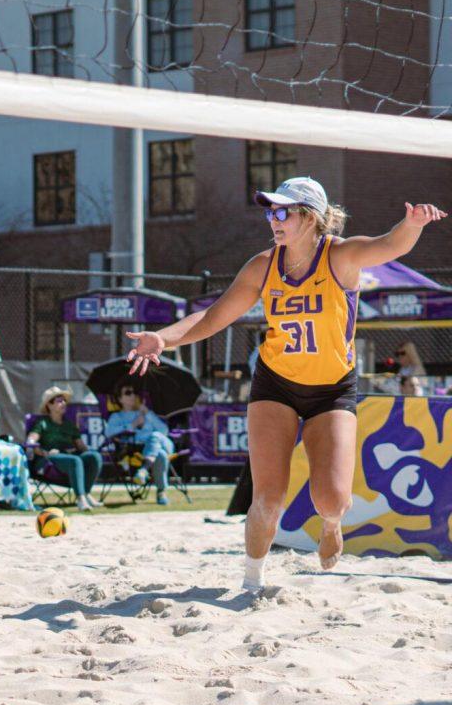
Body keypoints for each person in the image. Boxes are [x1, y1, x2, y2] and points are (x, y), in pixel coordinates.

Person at [124, 177, 445, 590]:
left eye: (282, 212)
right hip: (275, 385)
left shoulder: (340, 256)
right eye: (269, 211)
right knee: (268, 498)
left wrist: (413, 224)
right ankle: (252, 579)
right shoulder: (263, 265)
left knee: (332, 500)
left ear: (309, 217)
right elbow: (212, 318)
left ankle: (331, 526)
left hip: (332, 391)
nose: (272, 219)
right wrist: (163, 338)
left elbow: (389, 245)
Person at [26, 385, 103, 512]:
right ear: (49, 406)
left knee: (94, 457)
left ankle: (86, 493)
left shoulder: (69, 424)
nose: (64, 403)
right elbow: (31, 441)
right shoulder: (42, 423)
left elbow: (81, 447)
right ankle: (81, 499)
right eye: (59, 401)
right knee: (75, 461)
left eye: (64, 400)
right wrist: (44, 452)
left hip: (68, 457)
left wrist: (89, 450)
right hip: (48, 460)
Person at [103, 385, 174, 506]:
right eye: (128, 393)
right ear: (120, 399)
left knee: (156, 436)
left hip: (163, 444)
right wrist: (133, 424)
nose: (132, 395)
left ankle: (143, 470)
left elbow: (164, 431)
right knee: (160, 455)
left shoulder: (146, 412)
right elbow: (109, 433)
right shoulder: (117, 416)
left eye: (134, 392)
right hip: (140, 450)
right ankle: (161, 492)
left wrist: (147, 413)